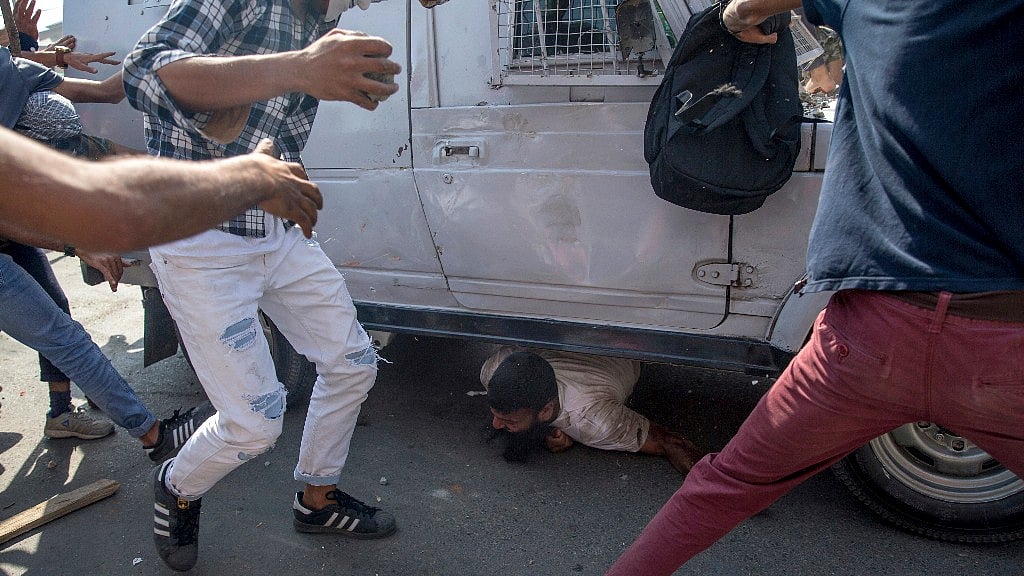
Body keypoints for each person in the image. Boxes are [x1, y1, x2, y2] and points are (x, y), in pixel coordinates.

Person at [605, 0, 1024, 574]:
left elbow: (750, 7)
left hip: (869, 336)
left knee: (725, 485)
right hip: (1007, 339)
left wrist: (733, 22)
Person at [122, 0, 402, 570]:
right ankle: (178, 483)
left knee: (353, 363)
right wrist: (300, 66)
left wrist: (276, 172)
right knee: (253, 423)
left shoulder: (319, 20)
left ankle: (316, 499)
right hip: (198, 237)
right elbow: (146, 70)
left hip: (273, 224)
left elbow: (271, 132)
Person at [481, 347, 704, 473]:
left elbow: (670, 442)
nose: (496, 425)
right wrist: (544, 432)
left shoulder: (594, 421)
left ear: (546, 410)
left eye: (509, 421)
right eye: (496, 415)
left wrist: (715, 489)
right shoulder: (493, 371)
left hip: (627, 345)